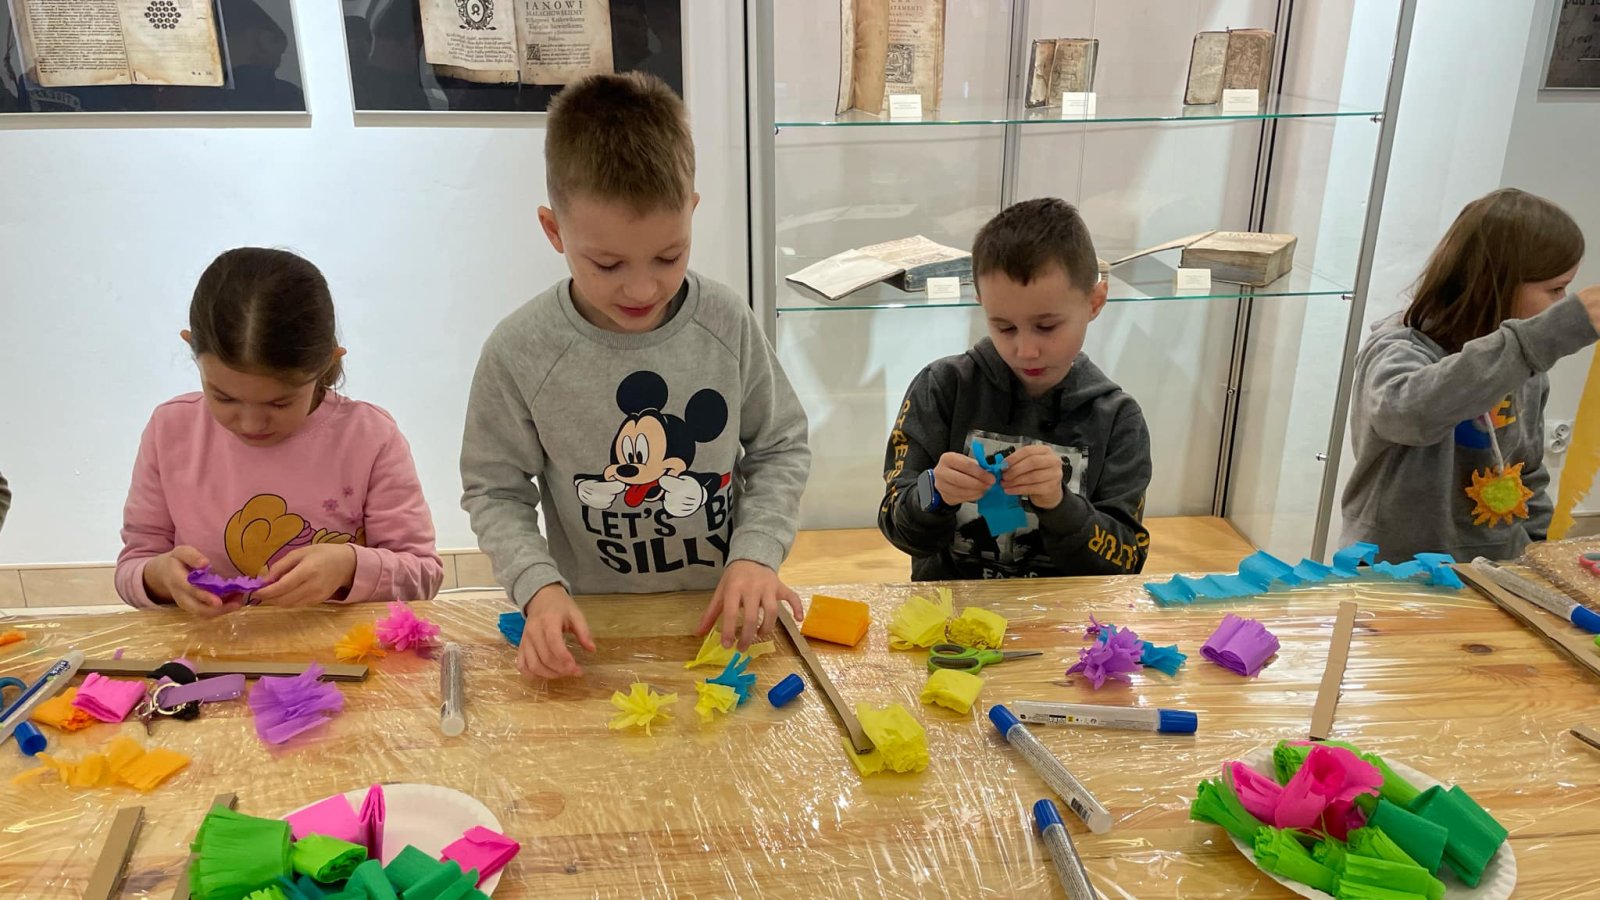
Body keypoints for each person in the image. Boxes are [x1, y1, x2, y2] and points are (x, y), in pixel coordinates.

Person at [461, 73, 811, 680]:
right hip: (593, 625)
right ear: (554, 230)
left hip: (720, 612)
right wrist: (538, 586)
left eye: (669, 256)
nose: (643, 288)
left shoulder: (725, 322)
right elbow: (495, 490)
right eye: (607, 263)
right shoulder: (521, 350)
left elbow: (779, 446)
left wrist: (757, 555)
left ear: (692, 212)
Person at [116, 247, 443, 615]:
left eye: (279, 403)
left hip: (338, 647)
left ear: (326, 363)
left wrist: (349, 566)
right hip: (209, 647)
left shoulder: (370, 437)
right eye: (224, 397)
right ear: (192, 348)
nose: (251, 424)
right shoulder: (170, 430)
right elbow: (134, 565)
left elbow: (424, 574)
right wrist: (160, 577)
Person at [878, 197, 1152, 580]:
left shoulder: (1118, 418)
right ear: (982, 304)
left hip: (1066, 613)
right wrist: (935, 491)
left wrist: (1060, 505)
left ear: (1095, 302)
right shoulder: (941, 388)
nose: (1025, 350)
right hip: (949, 610)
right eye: (1004, 327)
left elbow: (1126, 561)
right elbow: (896, 523)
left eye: (1047, 326)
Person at [1343, 188, 1600, 562]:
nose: (1561, 303)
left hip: (1494, 568)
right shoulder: (1399, 348)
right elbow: (1409, 414)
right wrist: (1543, 337)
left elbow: (1527, 470)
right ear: (1494, 283)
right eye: (1555, 289)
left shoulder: (1526, 368)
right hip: (1394, 572)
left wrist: (1541, 551)